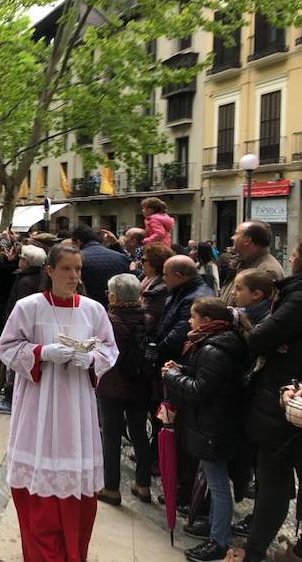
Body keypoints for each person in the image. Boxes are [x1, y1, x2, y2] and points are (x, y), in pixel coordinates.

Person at [0, 244, 119, 561]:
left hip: (77, 406)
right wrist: (41, 353)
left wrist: (91, 359)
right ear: (49, 270)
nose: (73, 276)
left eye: (77, 269)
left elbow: (110, 350)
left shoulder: (93, 310)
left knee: (76, 495)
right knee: (41, 506)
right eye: (66, 269)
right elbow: (6, 347)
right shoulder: (29, 307)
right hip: (38, 404)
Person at [224, 240, 302, 562]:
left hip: (285, 401)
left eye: (295, 253)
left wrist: (249, 328)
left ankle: (254, 551)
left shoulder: (297, 297)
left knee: (274, 478)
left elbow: (259, 339)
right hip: (286, 399)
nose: (291, 257)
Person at [162, 298, 249, 562]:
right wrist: (183, 370)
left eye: (193, 316)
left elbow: (200, 390)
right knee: (215, 481)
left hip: (214, 426)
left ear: (207, 321)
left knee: (218, 484)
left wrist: (172, 377)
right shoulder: (218, 344)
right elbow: (206, 377)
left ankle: (218, 541)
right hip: (214, 424)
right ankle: (213, 526)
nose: (189, 321)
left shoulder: (214, 349)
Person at [96, 274, 154, 507]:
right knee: (140, 434)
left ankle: (111, 487)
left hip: (112, 386)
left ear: (113, 296)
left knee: (111, 435)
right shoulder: (148, 318)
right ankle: (143, 484)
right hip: (140, 384)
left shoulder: (108, 320)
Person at [0, 244, 45, 412]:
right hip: (30, 329)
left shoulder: (25, 281)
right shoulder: (38, 277)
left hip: (22, 330)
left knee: (14, 367)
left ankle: (10, 400)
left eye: (22, 258)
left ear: (26, 262)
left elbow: (20, 308)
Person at [220, 221, 285, 306]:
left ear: (247, 240)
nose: (232, 238)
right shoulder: (243, 263)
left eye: (236, 234)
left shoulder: (267, 270)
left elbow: (260, 311)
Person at [70, 224, 129, 307]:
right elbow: (130, 266)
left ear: (78, 242)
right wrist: (116, 245)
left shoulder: (77, 259)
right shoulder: (120, 257)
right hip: (116, 309)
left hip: (87, 307)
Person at [139, 242, 175, 325]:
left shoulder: (161, 287)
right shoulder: (142, 278)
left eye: (143, 260)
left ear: (155, 263)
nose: (141, 263)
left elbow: (152, 315)